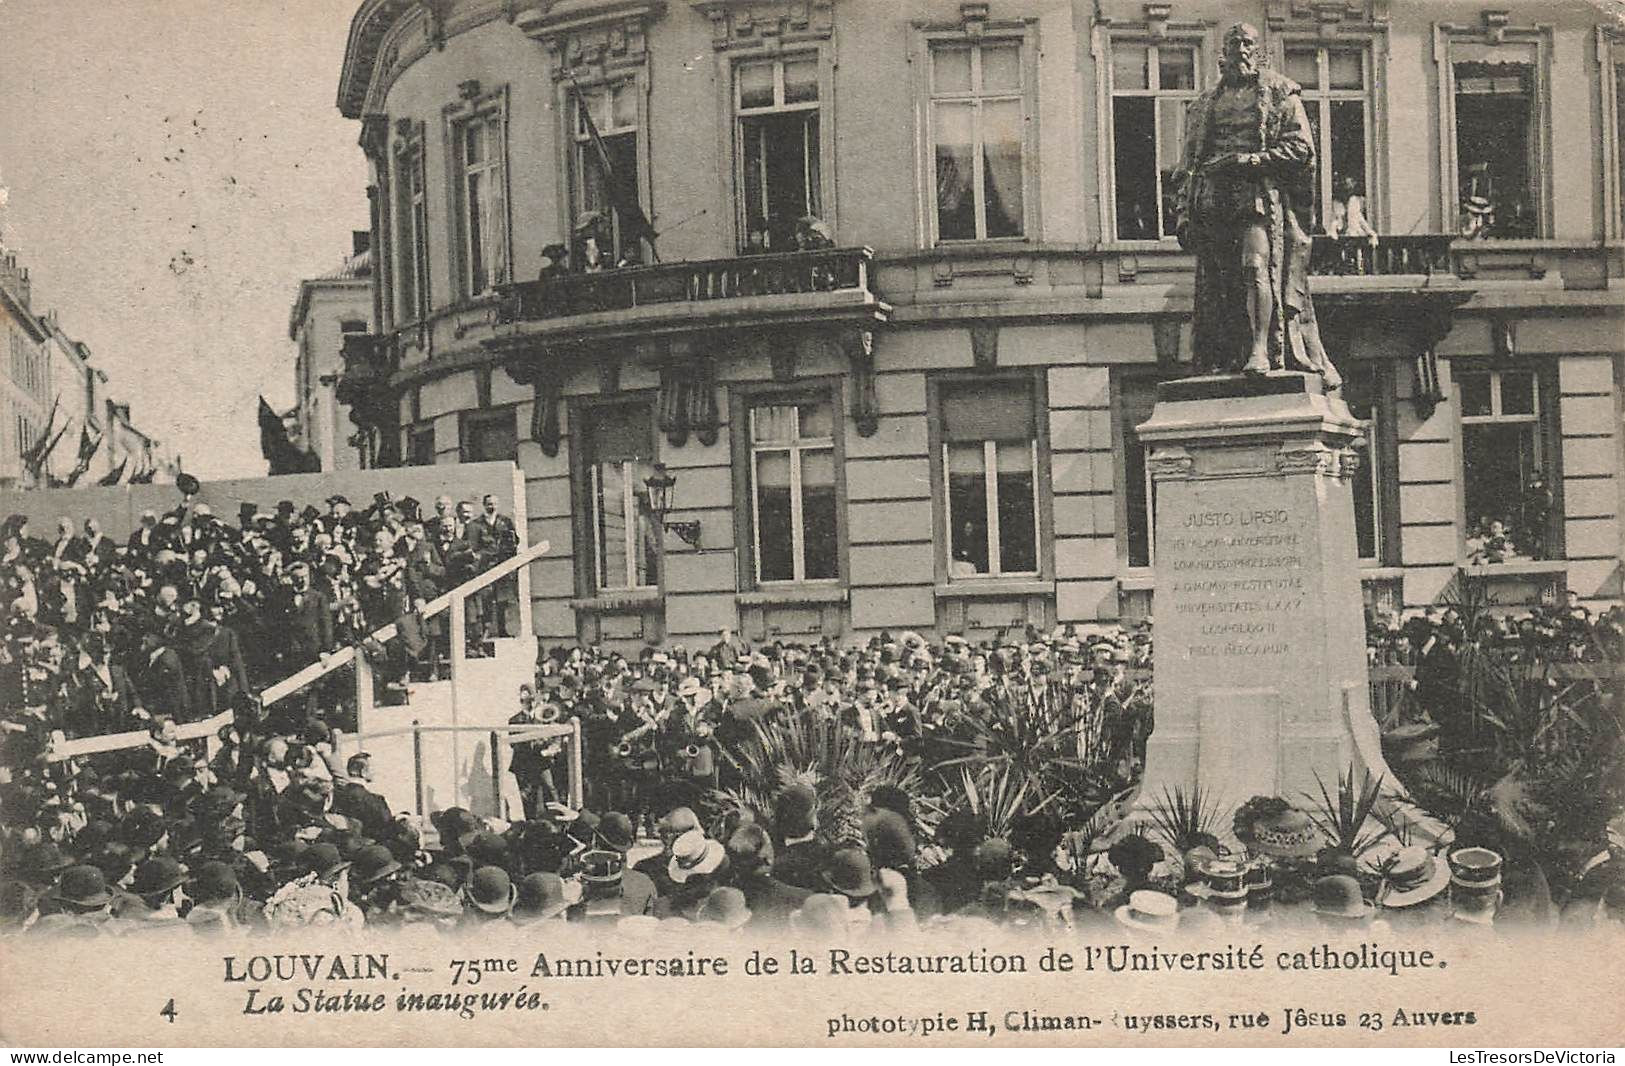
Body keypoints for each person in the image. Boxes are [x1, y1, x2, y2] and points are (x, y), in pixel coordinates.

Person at [1173, 22, 1339, 388]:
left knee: (1254, 266)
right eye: (1234, 44)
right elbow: (1188, 166)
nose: (1241, 51)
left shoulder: (1280, 93)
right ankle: (1226, 353)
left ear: (1258, 52)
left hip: (1257, 196)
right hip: (1212, 201)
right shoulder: (1203, 106)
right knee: (1219, 285)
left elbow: (1301, 149)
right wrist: (1183, 212)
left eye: (1247, 44)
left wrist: (1248, 161)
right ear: (1223, 54)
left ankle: (1261, 349)